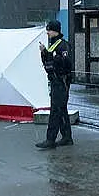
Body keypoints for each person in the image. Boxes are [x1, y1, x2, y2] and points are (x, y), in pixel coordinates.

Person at [36, 20, 74, 149]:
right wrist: (44, 53)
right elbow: (47, 62)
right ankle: (67, 137)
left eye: (49, 30)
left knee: (55, 111)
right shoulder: (53, 45)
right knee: (61, 110)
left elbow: (66, 63)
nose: (47, 32)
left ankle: (50, 139)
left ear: (55, 31)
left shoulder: (62, 46)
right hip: (55, 81)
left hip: (61, 82)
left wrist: (52, 56)